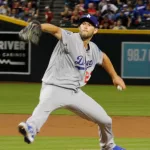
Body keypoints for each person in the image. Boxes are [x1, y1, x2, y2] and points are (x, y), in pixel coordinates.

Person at [18, 14, 126, 150]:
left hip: (75, 93)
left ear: (95, 30)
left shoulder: (93, 49)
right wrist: (39, 26)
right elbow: (55, 30)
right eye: (83, 23)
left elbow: (103, 58)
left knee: (105, 120)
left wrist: (115, 76)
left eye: (89, 24)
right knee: (43, 108)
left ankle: (108, 146)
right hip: (54, 87)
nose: (85, 26)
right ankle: (30, 128)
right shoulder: (70, 38)